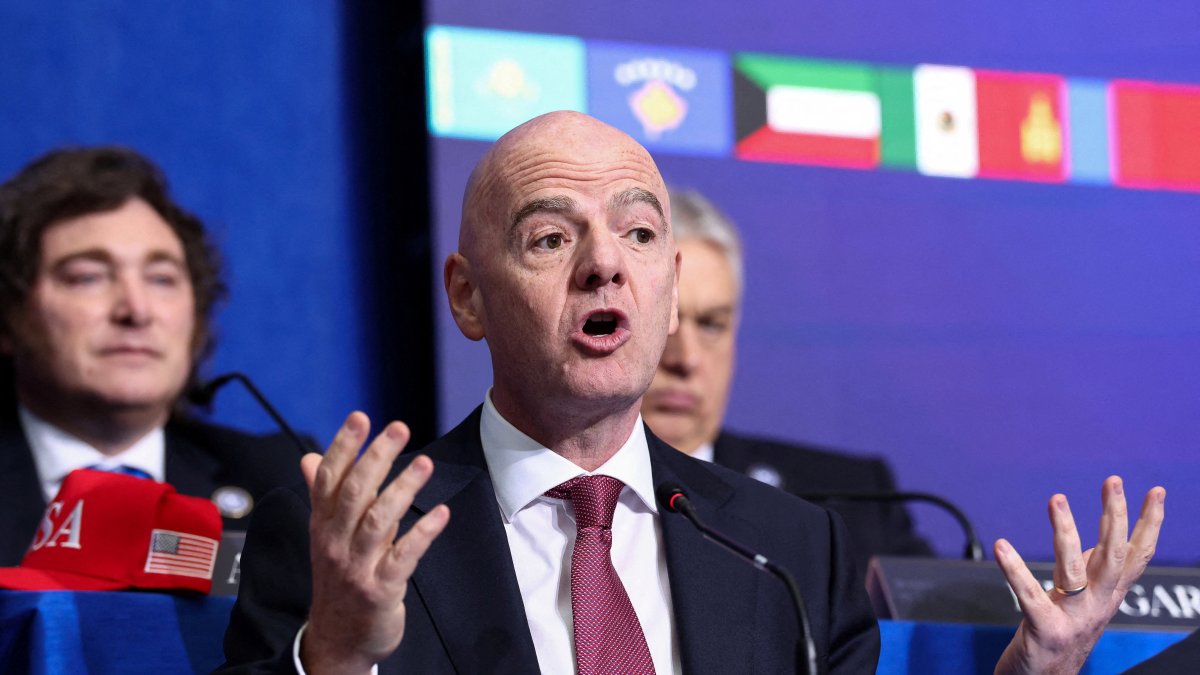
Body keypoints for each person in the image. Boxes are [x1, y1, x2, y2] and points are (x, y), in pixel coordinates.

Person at [219, 112, 1165, 675]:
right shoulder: (346, 539)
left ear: (670, 286)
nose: (604, 267)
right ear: (467, 296)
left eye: (637, 236)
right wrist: (337, 653)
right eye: (552, 239)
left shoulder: (790, 546)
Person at [0, 146, 302, 565]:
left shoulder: (279, 482)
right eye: (88, 277)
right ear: (8, 317)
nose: (137, 310)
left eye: (162, 279)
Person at [641, 189, 931, 574]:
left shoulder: (848, 504)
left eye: (712, 324)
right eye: (667, 320)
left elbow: (941, 626)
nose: (687, 359)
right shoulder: (557, 497)